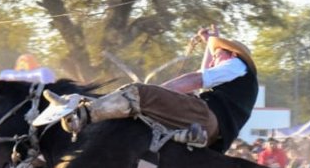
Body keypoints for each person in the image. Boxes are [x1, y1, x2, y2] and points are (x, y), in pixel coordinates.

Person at [39, 26, 259, 152]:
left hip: (204, 118)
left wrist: (156, 93)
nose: (213, 60)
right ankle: (185, 136)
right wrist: (210, 43)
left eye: (218, 53)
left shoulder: (237, 65)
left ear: (231, 55)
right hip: (210, 129)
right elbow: (206, 73)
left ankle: (82, 114)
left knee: (139, 93)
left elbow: (197, 78)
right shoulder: (236, 79)